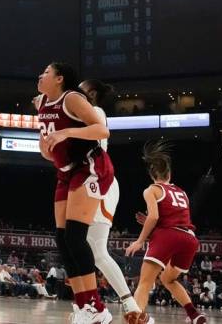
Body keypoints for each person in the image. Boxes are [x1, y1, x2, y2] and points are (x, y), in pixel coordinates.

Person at [35, 63, 113, 324]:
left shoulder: (72, 98)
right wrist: (47, 146)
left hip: (88, 165)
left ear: (59, 78)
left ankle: (98, 307)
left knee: (76, 237)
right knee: (62, 239)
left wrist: (68, 131)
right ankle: (83, 305)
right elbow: (46, 152)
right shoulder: (42, 104)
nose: (40, 76)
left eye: (45, 72)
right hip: (65, 172)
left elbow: (102, 130)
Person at [79, 79, 148, 324]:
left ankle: (124, 306)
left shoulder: (94, 111)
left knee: (95, 251)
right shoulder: (87, 112)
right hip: (89, 182)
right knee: (82, 248)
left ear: (92, 94)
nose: (75, 93)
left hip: (99, 181)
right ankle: (91, 305)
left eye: (80, 89)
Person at [126, 141, 207, 324]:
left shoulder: (152, 189)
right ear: (169, 174)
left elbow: (154, 216)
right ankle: (194, 315)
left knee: (145, 283)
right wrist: (151, 222)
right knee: (167, 279)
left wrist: (140, 240)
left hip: (168, 235)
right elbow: (174, 217)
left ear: (151, 174)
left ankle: (138, 319)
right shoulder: (181, 192)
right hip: (189, 238)